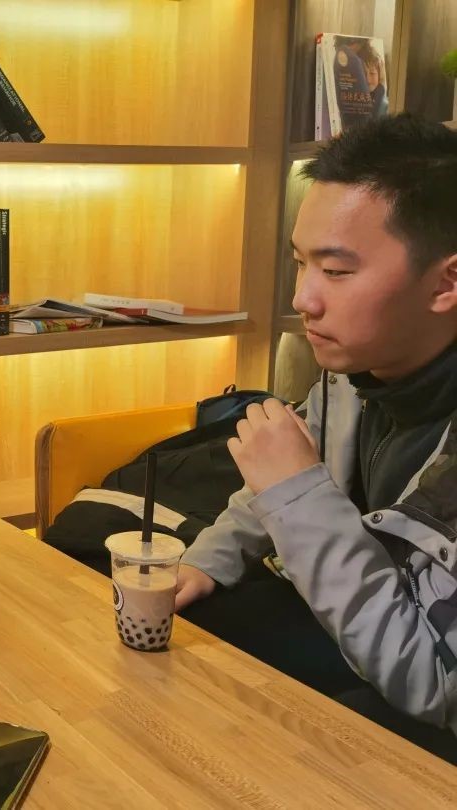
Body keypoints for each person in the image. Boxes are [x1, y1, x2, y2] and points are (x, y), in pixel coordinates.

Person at [175, 114, 457, 761]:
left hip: (428, 698)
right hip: (369, 628)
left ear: (446, 283)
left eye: (335, 271)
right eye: (302, 263)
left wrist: (297, 494)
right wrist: (206, 560)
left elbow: (433, 682)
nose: (303, 298)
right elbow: (276, 484)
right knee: (185, 631)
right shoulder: (360, 374)